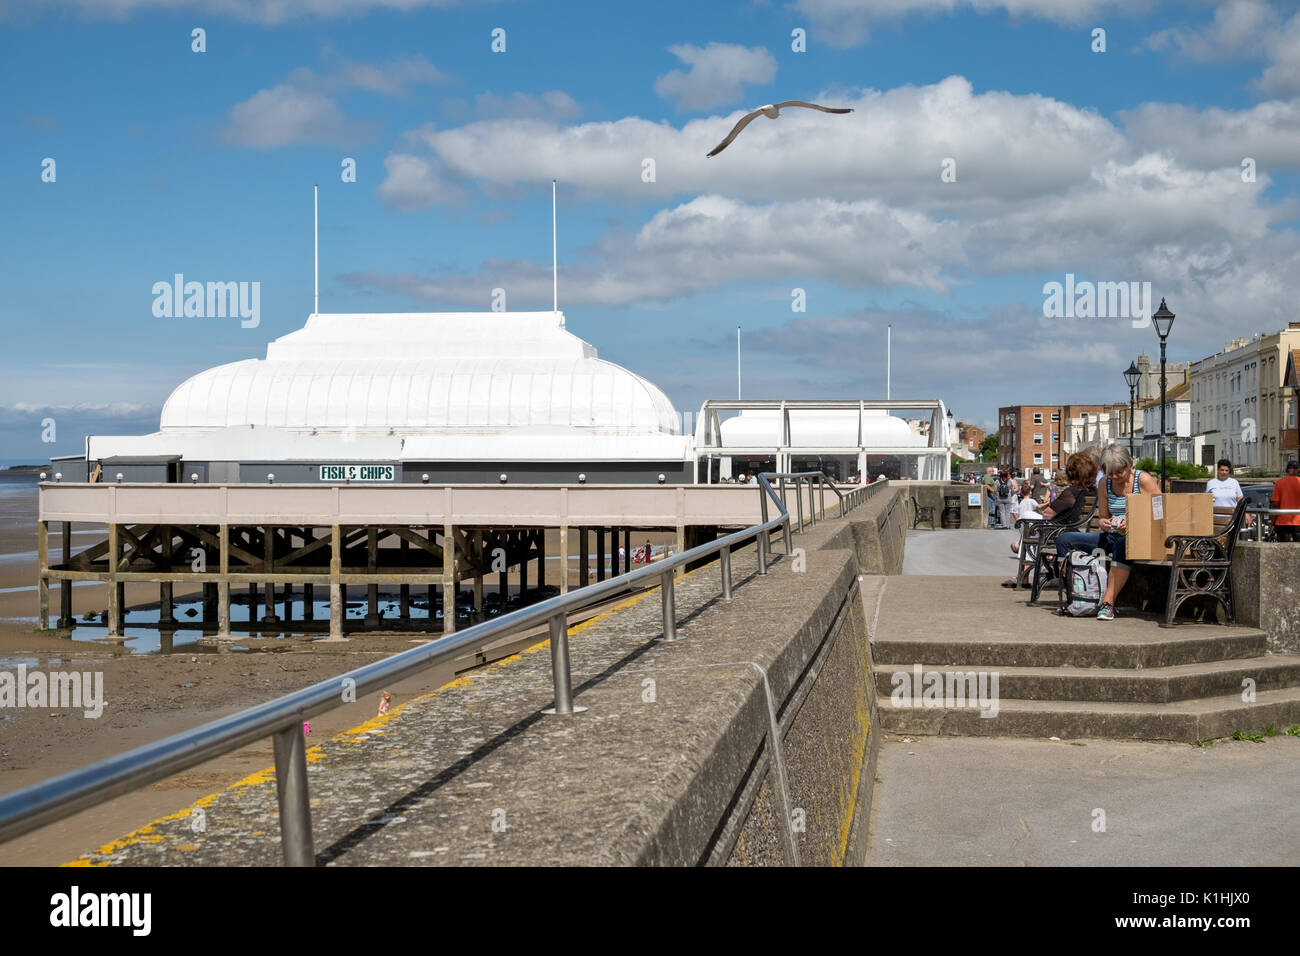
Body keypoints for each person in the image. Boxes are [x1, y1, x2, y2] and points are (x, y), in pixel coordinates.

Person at [1056, 444, 1160, 620]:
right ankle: (1077, 597)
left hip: (1140, 538)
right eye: (1110, 472)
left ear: (1129, 464)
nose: (1115, 477)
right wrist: (1106, 523)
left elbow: (1160, 513)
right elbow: (1103, 517)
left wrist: (1134, 522)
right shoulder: (1105, 483)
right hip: (1114, 535)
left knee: (1121, 544)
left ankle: (1108, 603)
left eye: (1119, 472)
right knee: (1065, 540)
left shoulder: (1143, 480)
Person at [1205, 458, 1252, 527]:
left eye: (1226, 470)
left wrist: (1246, 513)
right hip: (1216, 519)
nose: (1224, 472)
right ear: (1218, 470)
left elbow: (1240, 500)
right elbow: (1206, 501)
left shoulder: (1234, 482)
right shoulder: (1211, 483)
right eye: (1222, 470)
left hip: (1232, 518)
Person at [1271, 459, 1300, 542]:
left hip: (1282, 522)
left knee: (1283, 550)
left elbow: (1275, 504)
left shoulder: (1279, 483)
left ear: (1287, 470)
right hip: (1298, 522)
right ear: (1298, 470)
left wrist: (1272, 523)